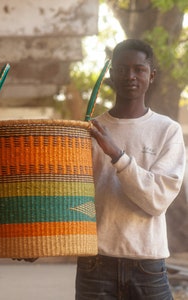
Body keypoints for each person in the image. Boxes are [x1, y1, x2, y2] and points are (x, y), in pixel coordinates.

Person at [76, 39, 186, 300]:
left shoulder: (167, 130)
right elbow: (71, 196)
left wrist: (117, 155)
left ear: (152, 76)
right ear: (111, 75)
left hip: (147, 265)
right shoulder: (88, 130)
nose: (130, 76)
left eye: (139, 69)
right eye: (122, 69)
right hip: (95, 262)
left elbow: (157, 200)